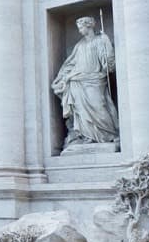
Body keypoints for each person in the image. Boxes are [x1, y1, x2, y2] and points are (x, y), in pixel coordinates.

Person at [51, 16, 119, 148]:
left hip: (95, 79)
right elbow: (71, 63)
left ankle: (109, 134)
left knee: (99, 105)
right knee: (80, 111)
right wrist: (63, 77)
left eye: (81, 27)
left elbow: (108, 63)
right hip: (77, 80)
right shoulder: (79, 45)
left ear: (89, 26)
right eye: (78, 28)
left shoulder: (100, 40)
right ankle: (86, 136)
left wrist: (107, 49)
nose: (79, 30)